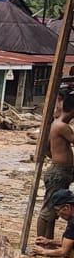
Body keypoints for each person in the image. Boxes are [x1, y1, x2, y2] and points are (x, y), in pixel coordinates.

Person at [36, 93, 74, 239]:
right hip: (59, 173)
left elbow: (45, 148)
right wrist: (59, 161)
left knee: (54, 210)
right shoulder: (62, 126)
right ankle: (40, 241)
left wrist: (57, 158)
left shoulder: (55, 124)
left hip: (60, 171)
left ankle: (47, 241)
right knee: (48, 210)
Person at [33, 189, 74, 258]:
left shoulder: (73, 223)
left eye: (58, 210)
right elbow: (70, 242)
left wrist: (43, 251)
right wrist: (49, 241)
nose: (58, 214)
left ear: (66, 207)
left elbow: (64, 252)